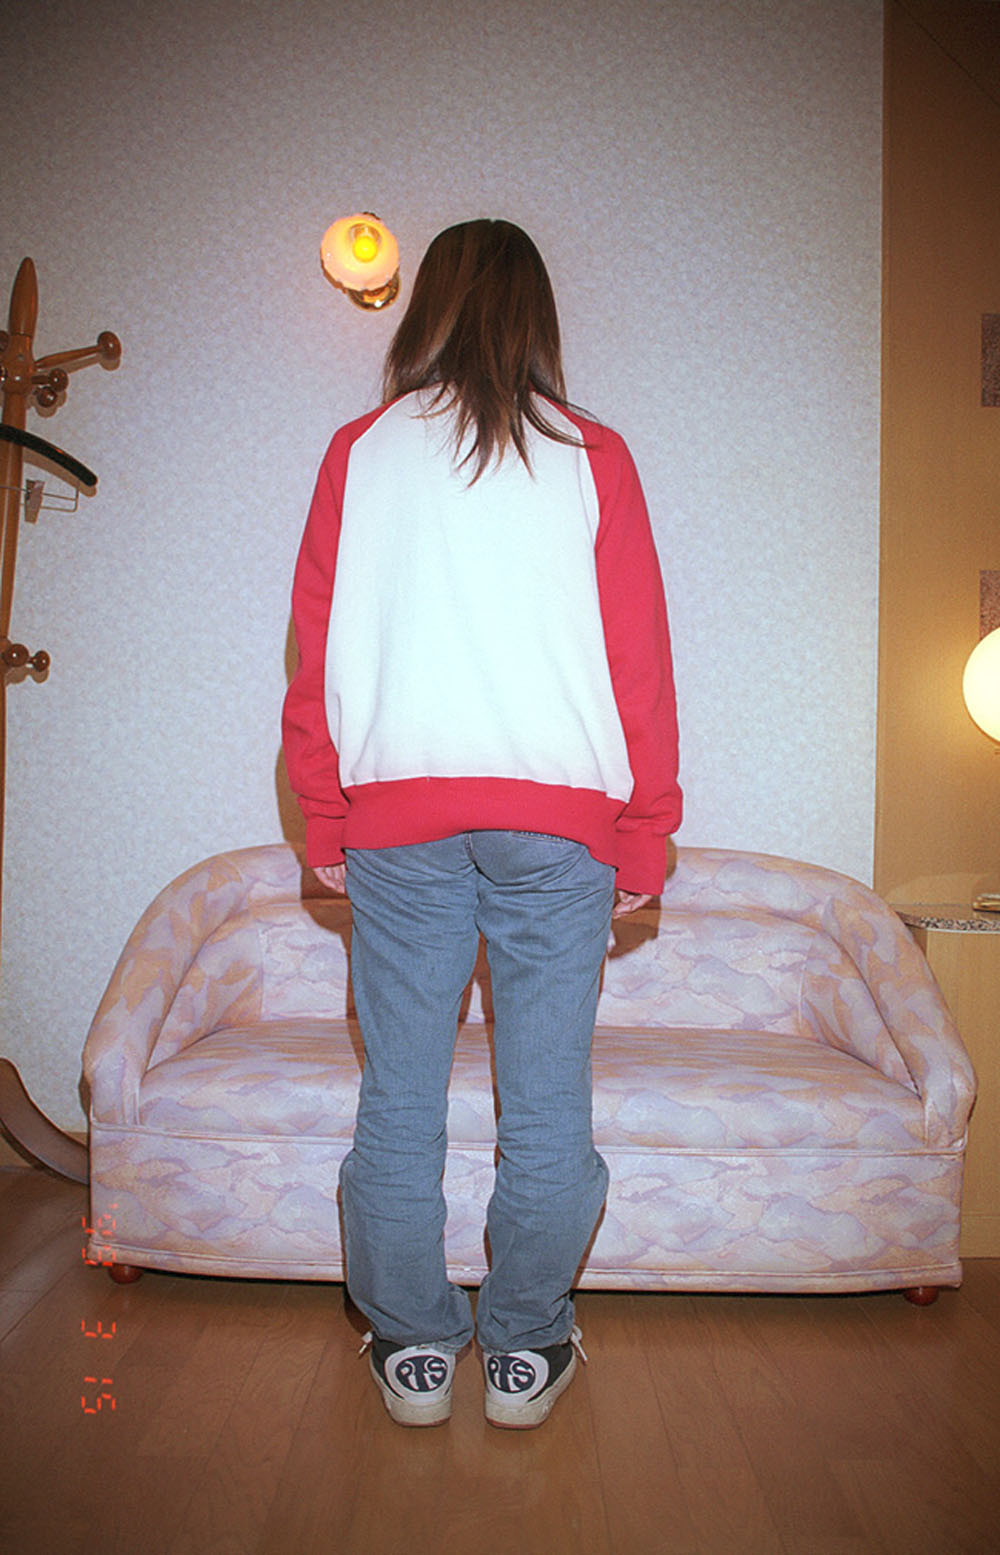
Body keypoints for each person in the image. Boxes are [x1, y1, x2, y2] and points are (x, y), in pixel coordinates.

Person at [282, 218, 681, 1429]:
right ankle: (522, 1347)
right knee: (545, 1106)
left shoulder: (360, 451)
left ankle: (411, 1345)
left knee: (399, 1098)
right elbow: (638, 662)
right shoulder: (592, 455)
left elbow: (314, 655)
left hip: (398, 822)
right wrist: (645, 831)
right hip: (559, 825)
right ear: (536, 316)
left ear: (429, 309)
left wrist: (324, 816)